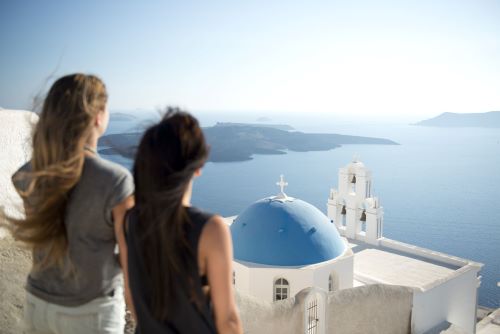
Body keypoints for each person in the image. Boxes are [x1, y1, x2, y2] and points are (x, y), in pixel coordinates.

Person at [9, 74, 134, 333]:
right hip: (90, 311)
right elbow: (130, 258)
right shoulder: (115, 180)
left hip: (39, 304)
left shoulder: (27, 176)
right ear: (98, 115)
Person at [126, 108, 243, 334]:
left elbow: (132, 295)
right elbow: (227, 319)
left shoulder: (133, 220)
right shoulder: (210, 229)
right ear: (198, 167)